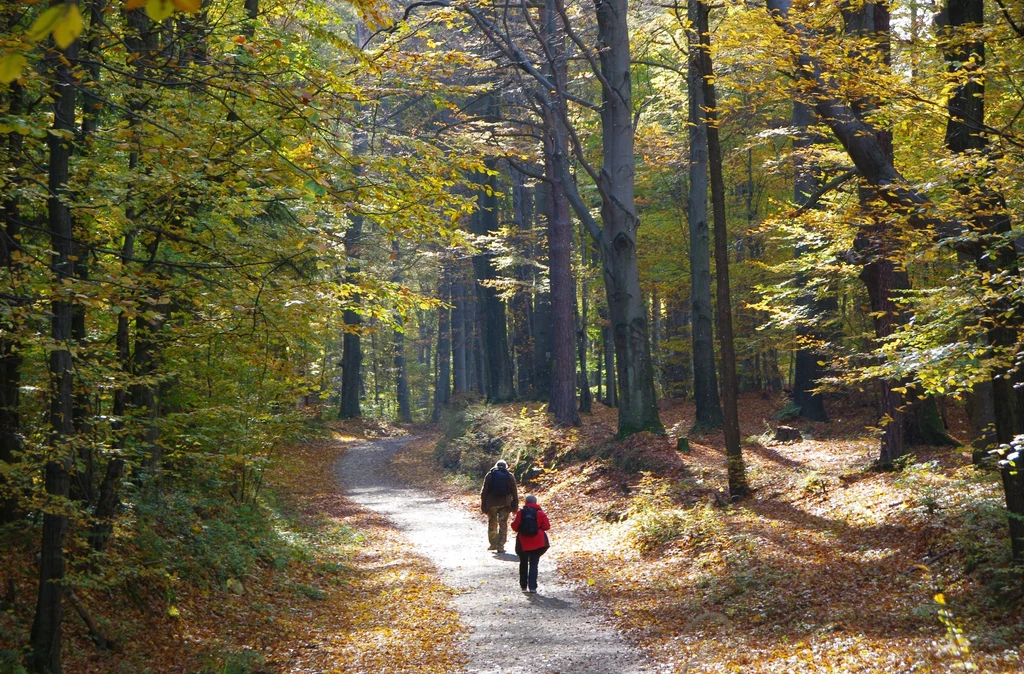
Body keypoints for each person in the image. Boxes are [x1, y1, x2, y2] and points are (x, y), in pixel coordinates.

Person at [510, 494, 550, 594]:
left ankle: (523, 586)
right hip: (538, 542)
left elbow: (514, 527)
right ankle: (532, 587)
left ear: (526, 503)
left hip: (523, 542)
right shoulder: (540, 513)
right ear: (535, 502)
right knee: (533, 564)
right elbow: (546, 526)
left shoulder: (521, 513)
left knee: (523, 563)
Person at [480, 460, 518, 553]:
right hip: (505, 504)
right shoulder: (509, 476)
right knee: (503, 524)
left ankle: (493, 544)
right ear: (506, 466)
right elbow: (514, 492)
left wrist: (483, 504)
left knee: (492, 523)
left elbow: (484, 491)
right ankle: (501, 546)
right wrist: (515, 506)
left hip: (491, 504)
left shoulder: (490, 475)